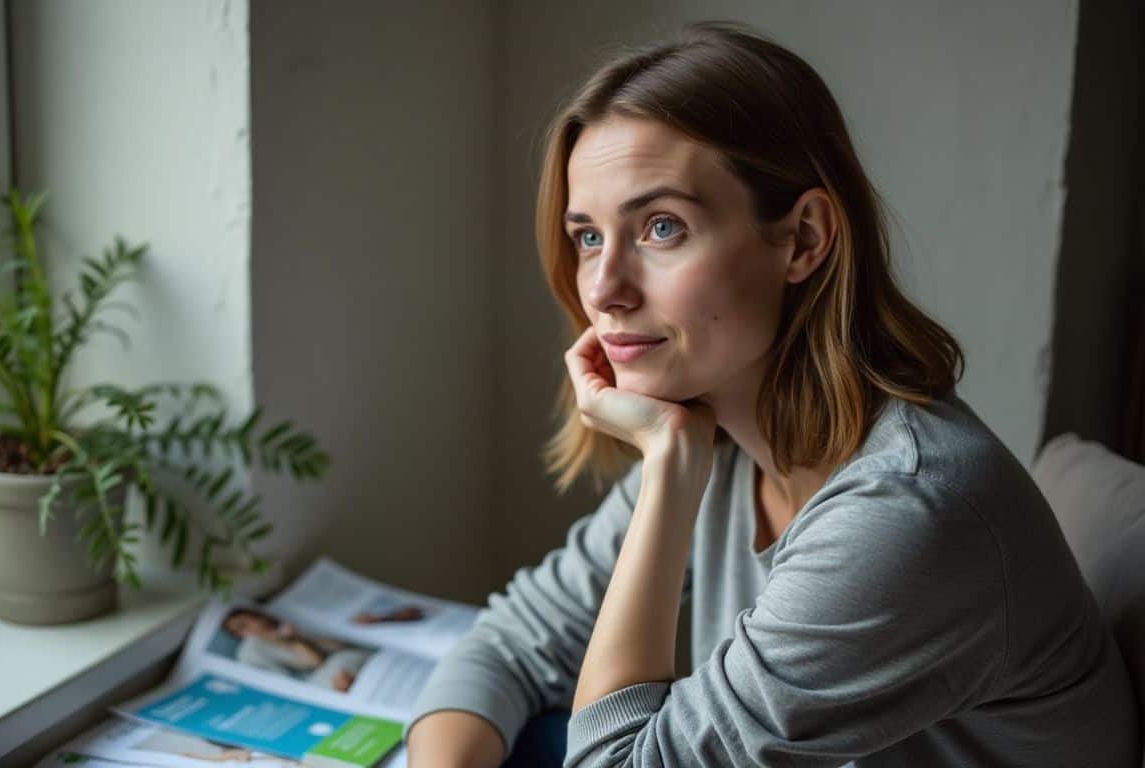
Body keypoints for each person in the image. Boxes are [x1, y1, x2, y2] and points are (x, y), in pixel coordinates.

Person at [403, 21, 1140, 768]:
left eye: (661, 227)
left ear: (805, 238)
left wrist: (666, 471)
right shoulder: (726, 435)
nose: (603, 289)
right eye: (588, 236)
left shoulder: (906, 514)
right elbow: (510, 644)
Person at [222, 608, 369, 693]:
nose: (256, 623)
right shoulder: (251, 650)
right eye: (243, 626)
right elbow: (314, 664)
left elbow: (340, 647)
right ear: (239, 635)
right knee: (340, 672)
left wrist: (299, 637)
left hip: (339, 660)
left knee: (350, 658)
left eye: (254, 617)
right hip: (309, 686)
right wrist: (291, 641)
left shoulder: (285, 624)